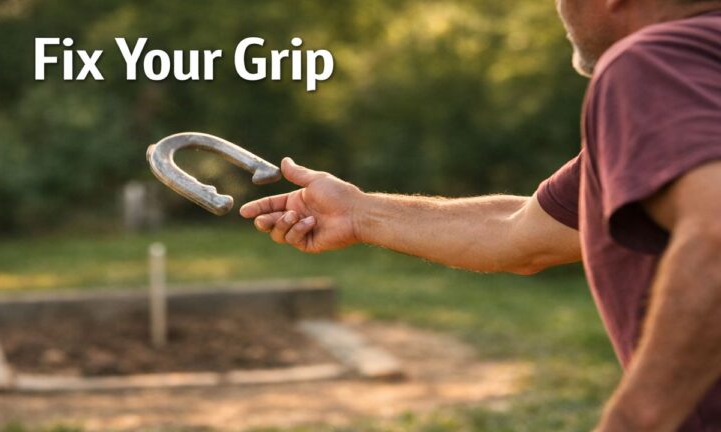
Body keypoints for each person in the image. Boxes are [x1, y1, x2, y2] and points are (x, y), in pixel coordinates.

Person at [239, 0, 721, 430]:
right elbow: (524, 235)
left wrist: (634, 421)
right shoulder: (696, 76)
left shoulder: (654, 62)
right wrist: (359, 212)